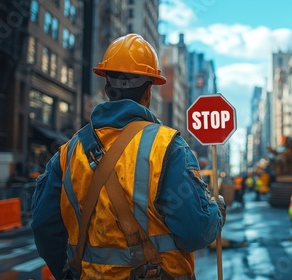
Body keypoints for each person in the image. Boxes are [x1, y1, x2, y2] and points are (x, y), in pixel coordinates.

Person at [31, 34, 226, 280]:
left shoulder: (68, 152)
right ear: (149, 91)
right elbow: (194, 232)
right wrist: (216, 212)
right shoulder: (168, 147)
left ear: (106, 88)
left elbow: (43, 227)